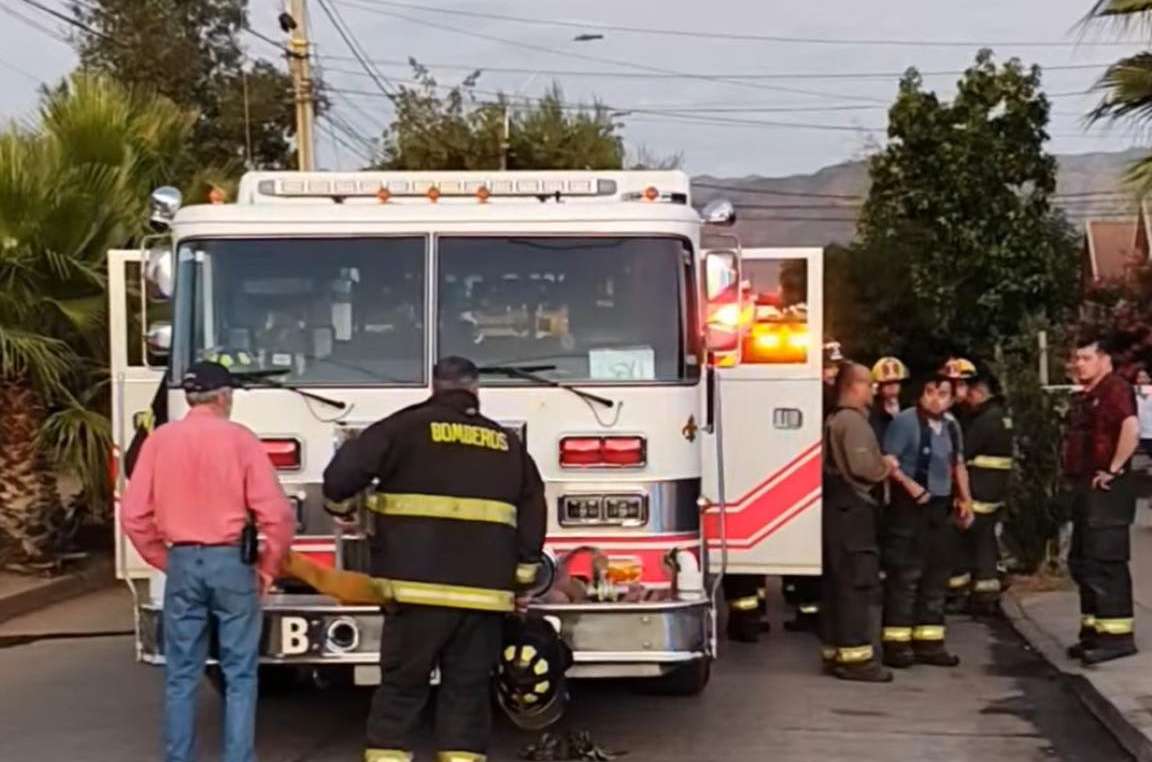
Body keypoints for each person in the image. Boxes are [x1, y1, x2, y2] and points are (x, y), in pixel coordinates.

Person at [323, 356, 547, 762]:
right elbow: (533, 509)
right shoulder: (505, 443)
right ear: (475, 390)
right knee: (467, 691)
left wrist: (339, 507)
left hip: (413, 595)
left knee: (402, 688)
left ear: (435, 386)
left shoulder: (404, 427)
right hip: (482, 599)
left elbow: (344, 472)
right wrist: (522, 580)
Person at [121, 361, 296, 762]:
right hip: (232, 563)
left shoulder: (160, 441)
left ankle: (178, 756)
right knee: (240, 673)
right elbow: (278, 516)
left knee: (181, 674)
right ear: (223, 397)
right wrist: (268, 567)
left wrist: (164, 558)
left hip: (182, 560)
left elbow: (133, 515)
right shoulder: (240, 440)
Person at [880, 375, 974, 668]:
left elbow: (956, 464)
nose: (935, 398)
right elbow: (887, 462)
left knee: (936, 575)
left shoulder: (951, 426)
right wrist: (910, 486)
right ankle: (897, 645)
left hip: (940, 507)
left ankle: (930, 643)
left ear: (952, 398)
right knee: (906, 576)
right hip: (910, 508)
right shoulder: (906, 422)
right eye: (930, 391)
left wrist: (965, 499)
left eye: (942, 393)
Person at [1063, 337, 1141, 665]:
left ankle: (1117, 637)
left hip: (1107, 491)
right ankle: (1094, 631)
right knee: (1084, 562)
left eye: (1086, 358)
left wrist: (1113, 468)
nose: (1079, 364)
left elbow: (1130, 427)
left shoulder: (1115, 390)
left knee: (1105, 563)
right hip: (1087, 488)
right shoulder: (1089, 397)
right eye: (1076, 359)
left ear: (1104, 360)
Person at [821, 362, 894, 682]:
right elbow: (864, 466)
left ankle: (836, 652)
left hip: (838, 511)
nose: (873, 390)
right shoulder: (853, 422)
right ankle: (856, 660)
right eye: (868, 384)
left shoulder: (835, 419)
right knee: (856, 583)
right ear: (853, 387)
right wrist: (886, 466)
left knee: (840, 584)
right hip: (854, 513)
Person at [954, 375, 1014, 615]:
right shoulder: (1000, 415)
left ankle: (976, 594)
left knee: (973, 541)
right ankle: (987, 591)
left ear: (979, 392)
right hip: (993, 489)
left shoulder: (983, 420)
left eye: (970, 393)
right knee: (985, 538)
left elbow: (964, 451)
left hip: (978, 488)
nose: (968, 399)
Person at [869, 356, 910, 443]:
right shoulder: (872, 412)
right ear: (879, 386)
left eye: (896, 382)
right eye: (887, 383)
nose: (892, 386)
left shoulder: (910, 407)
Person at [1137, 369, 1152, 457]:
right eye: (1139, 377)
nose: (1142, 380)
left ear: (1149, 379)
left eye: (1144, 377)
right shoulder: (1132, 393)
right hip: (1138, 433)